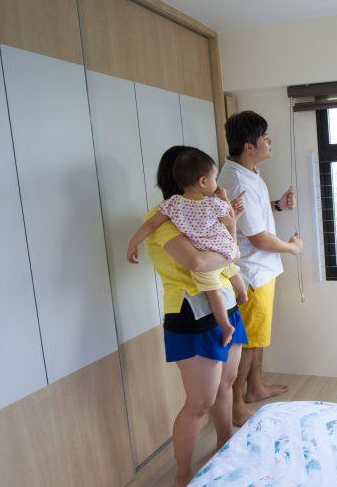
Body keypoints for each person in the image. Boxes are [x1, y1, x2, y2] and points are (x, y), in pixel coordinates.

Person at [139, 145, 248, 486]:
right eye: (211, 176)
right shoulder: (163, 220)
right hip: (191, 314)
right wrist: (228, 239)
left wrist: (230, 222)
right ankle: (183, 473)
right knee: (199, 403)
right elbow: (199, 263)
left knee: (227, 383)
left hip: (224, 305)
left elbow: (226, 254)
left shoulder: (202, 212)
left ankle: (224, 440)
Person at [217, 110, 303, 426]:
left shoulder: (248, 171)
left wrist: (278, 205)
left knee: (257, 338)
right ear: (249, 146)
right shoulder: (236, 179)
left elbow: (251, 217)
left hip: (262, 271)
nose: (269, 141)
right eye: (264, 136)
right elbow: (259, 238)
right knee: (249, 343)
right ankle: (237, 404)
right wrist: (292, 247)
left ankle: (256, 388)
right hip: (251, 272)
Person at [127, 148, 247, 347]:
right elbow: (199, 260)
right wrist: (225, 201)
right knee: (232, 273)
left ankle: (228, 322)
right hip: (195, 306)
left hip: (222, 287)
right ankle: (240, 298)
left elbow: (150, 225)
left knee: (215, 290)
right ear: (202, 180)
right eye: (214, 177)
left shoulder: (173, 206)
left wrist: (132, 243)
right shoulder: (212, 204)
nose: (216, 183)